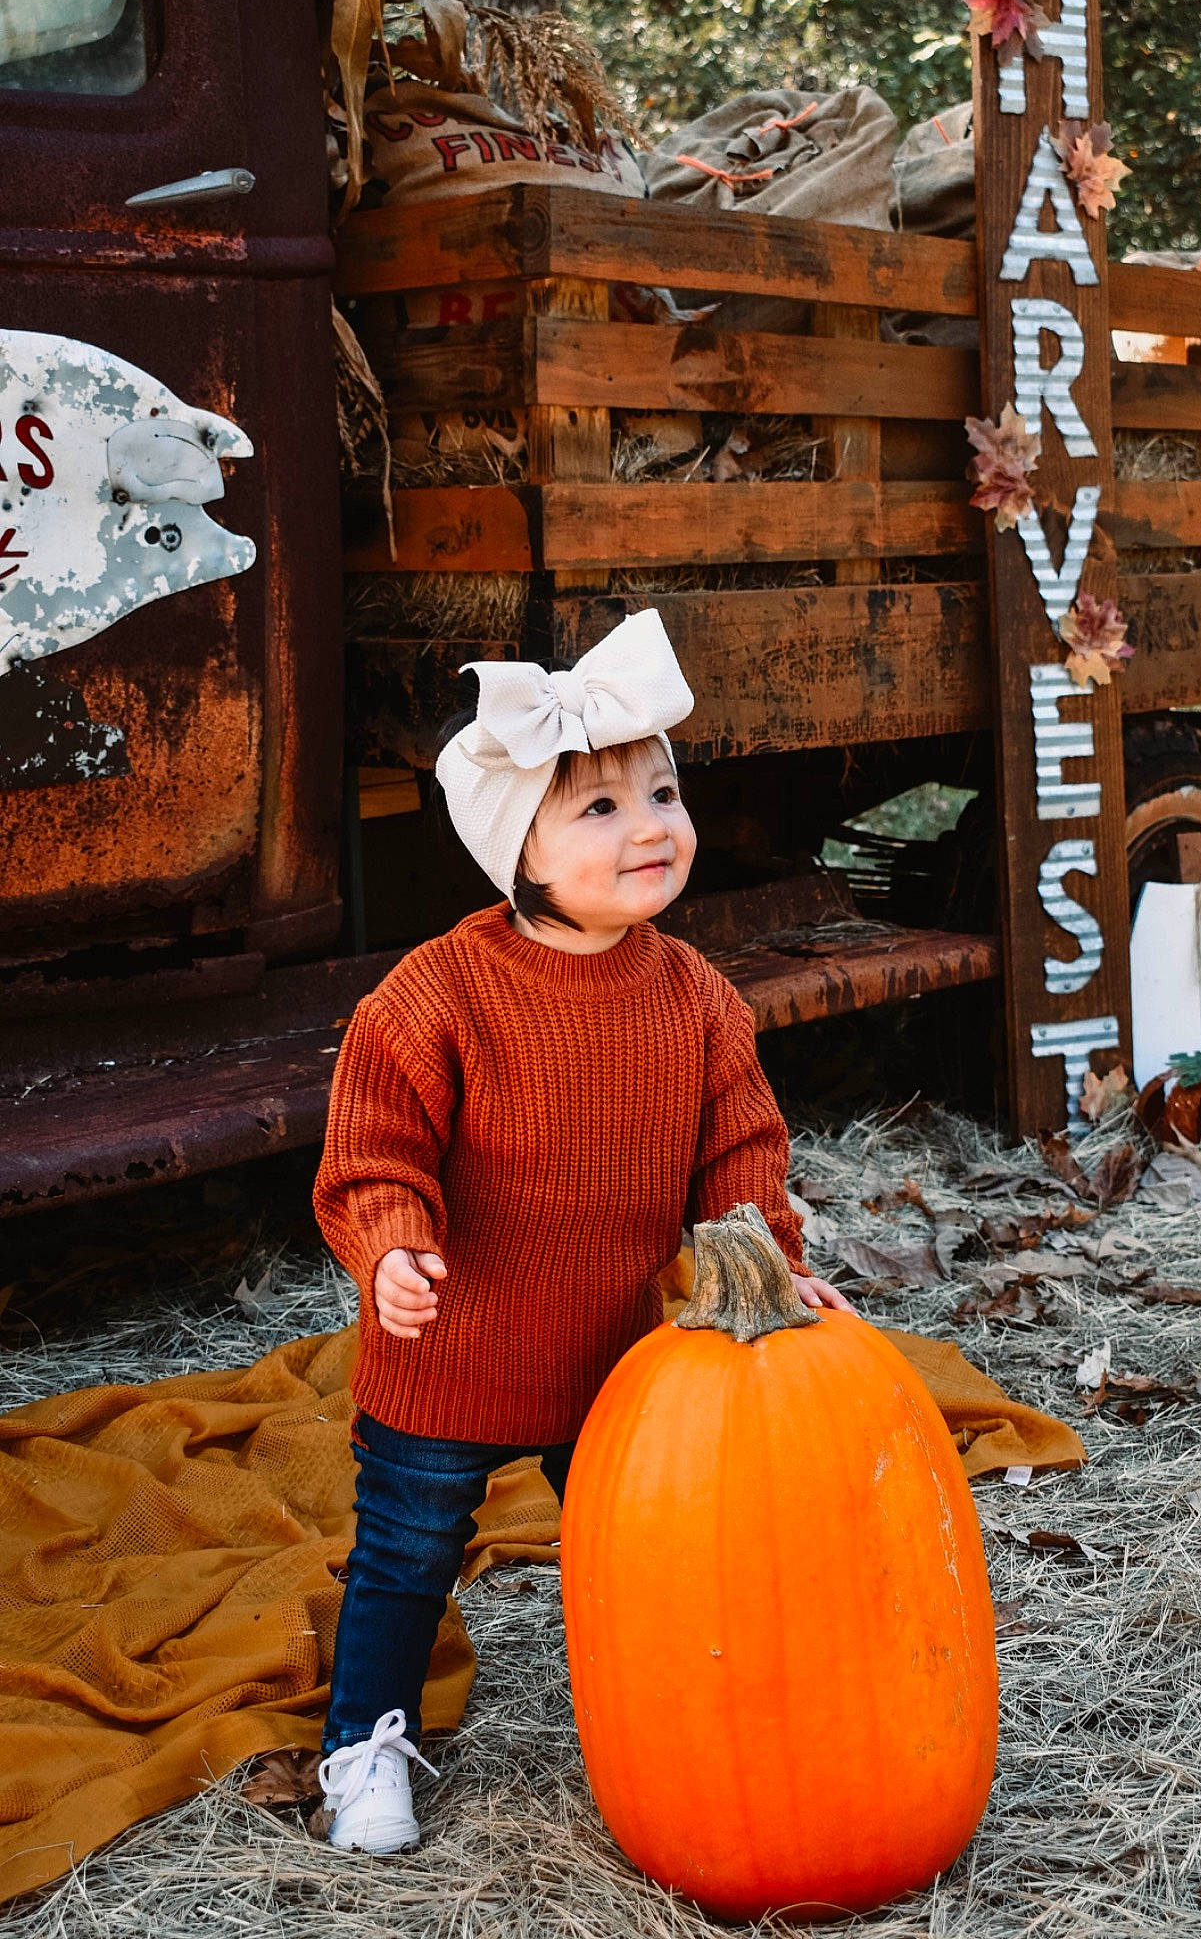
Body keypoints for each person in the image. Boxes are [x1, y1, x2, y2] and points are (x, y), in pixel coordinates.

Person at [312, 609, 853, 1855]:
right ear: (521, 850)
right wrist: (391, 1244)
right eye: (599, 809)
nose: (651, 826)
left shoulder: (695, 998)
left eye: (661, 791)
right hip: (451, 1351)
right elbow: (376, 1138)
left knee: (645, 1546)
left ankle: (664, 1720)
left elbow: (739, 1149)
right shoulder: (439, 993)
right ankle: (365, 1744)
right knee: (405, 1554)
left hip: (619, 1355)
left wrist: (770, 1260)